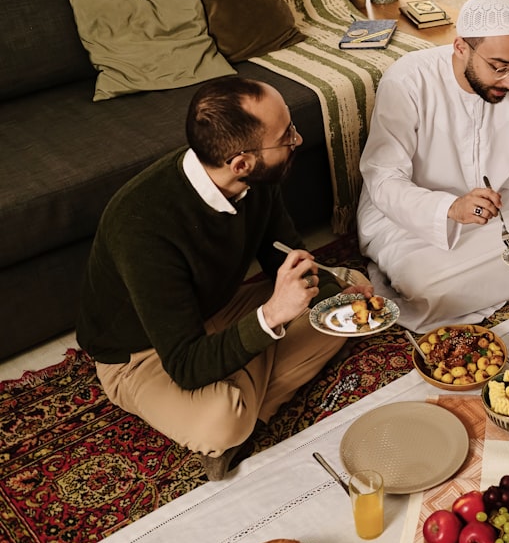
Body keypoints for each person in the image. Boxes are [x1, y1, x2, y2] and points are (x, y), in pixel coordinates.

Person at [76, 76, 371, 481]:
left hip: (214, 312)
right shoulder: (142, 227)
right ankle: (243, 416)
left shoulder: (257, 180)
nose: (298, 140)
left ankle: (245, 393)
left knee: (343, 312)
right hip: (142, 354)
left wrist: (335, 293)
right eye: (287, 135)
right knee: (222, 421)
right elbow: (185, 366)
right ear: (241, 162)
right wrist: (272, 318)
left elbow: (282, 254)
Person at [357, 0, 509, 329]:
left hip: (502, 204)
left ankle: (480, 281)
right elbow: (383, 180)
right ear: (460, 48)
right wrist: (450, 209)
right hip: (415, 216)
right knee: (425, 288)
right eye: (499, 68)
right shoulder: (408, 82)